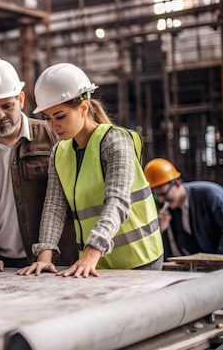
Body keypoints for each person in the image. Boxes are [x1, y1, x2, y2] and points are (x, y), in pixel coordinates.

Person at [19, 63, 164, 278]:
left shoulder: (115, 141)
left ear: (84, 108)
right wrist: (45, 255)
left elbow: (117, 201)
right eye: (48, 118)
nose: (53, 125)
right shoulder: (60, 151)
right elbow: (54, 207)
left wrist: (92, 252)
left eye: (60, 116)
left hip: (138, 259)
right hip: (94, 264)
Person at [0, 57, 78, 272]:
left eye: (7, 106)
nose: (0, 115)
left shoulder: (52, 136)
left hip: (53, 262)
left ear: (20, 99)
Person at [144, 158, 223, 257]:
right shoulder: (166, 207)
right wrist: (160, 231)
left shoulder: (210, 195)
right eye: (157, 195)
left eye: (163, 194)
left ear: (177, 184)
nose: (161, 200)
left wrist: (220, 261)